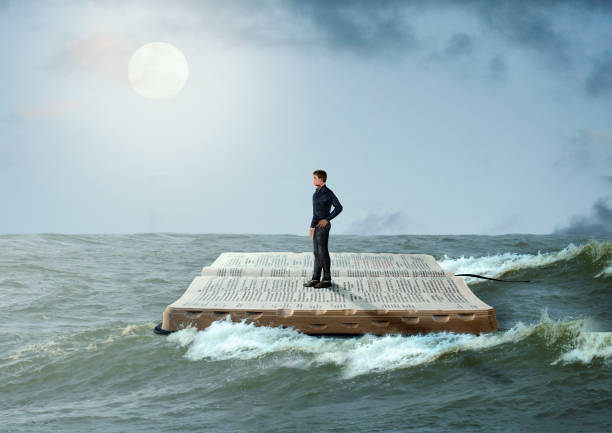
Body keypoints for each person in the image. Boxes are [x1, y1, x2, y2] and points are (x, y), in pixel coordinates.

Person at [303, 169, 343, 288]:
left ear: (321, 179)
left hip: (324, 226)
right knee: (316, 252)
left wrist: (327, 219)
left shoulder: (328, 193)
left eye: (315, 178)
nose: (313, 180)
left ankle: (326, 279)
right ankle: (315, 278)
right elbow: (315, 213)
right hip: (316, 226)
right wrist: (311, 227)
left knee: (322, 251)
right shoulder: (315, 194)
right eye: (313, 178)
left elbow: (339, 207)